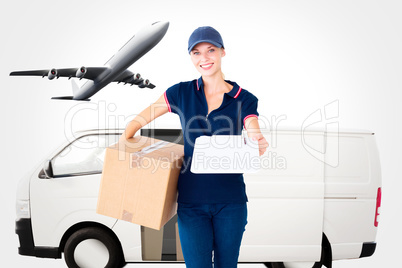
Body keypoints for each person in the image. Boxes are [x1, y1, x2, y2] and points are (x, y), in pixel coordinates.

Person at [121, 26, 268, 268]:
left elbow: (251, 125)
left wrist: (257, 140)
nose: (204, 58)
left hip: (230, 203)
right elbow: (142, 118)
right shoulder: (181, 93)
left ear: (222, 52)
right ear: (191, 57)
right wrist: (126, 141)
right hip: (191, 202)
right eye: (196, 53)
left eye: (210, 50)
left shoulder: (244, 98)